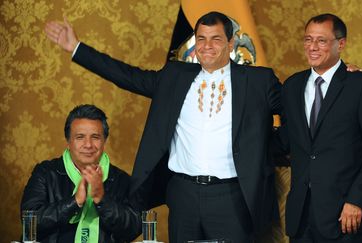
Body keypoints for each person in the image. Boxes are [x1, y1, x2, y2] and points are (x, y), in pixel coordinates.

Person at [45, 12, 281, 242]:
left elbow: (295, 115)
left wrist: (271, 148)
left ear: (230, 43)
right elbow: (127, 76)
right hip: (183, 195)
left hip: (232, 197)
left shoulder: (258, 81)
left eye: (216, 39)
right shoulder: (175, 76)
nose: (207, 45)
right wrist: (76, 47)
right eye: (201, 38)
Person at [276, 13, 362, 242]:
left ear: (340, 44)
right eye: (308, 39)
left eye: (321, 41)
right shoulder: (292, 86)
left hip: (346, 216)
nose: (312, 47)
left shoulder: (361, 85)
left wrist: (357, 199)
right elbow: (288, 141)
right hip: (302, 217)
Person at [21, 104, 140, 243]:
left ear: (104, 141)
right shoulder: (45, 172)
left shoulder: (122, 179)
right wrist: (75, 202)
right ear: (68, 142)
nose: (88, 145)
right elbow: (29, 223)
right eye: (80, 137)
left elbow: (133, 229)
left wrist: (101, 199)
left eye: (95, 137)